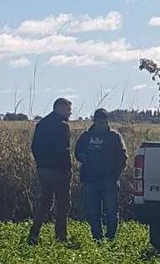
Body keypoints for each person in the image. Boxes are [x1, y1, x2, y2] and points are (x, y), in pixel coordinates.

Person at [75, 108, 127, 242]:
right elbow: (77, 152)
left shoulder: (115, 136)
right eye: (100, 122)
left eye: (104, 122)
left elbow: (123, 156)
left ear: (107, 122)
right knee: (93, 212)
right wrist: (85, 158)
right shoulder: (86, 136)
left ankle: (111, 238)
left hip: (109, 180)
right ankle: (97, 238)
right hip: (90, 180)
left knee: (111, 211)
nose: (102, 125)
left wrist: (116, 174)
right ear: (94, 121)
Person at [28, 98, 72, 245]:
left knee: (45, 203)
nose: (70, 113)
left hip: (43, 170)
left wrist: (40, 164)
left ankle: (34, 234)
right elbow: (64, 150)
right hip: (60, 170)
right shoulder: (63, 126)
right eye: (68, 109)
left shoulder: (41, 124)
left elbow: (33, 147)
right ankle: (61, 237)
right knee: (63, 204)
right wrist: (67, 168)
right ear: (59, 108)